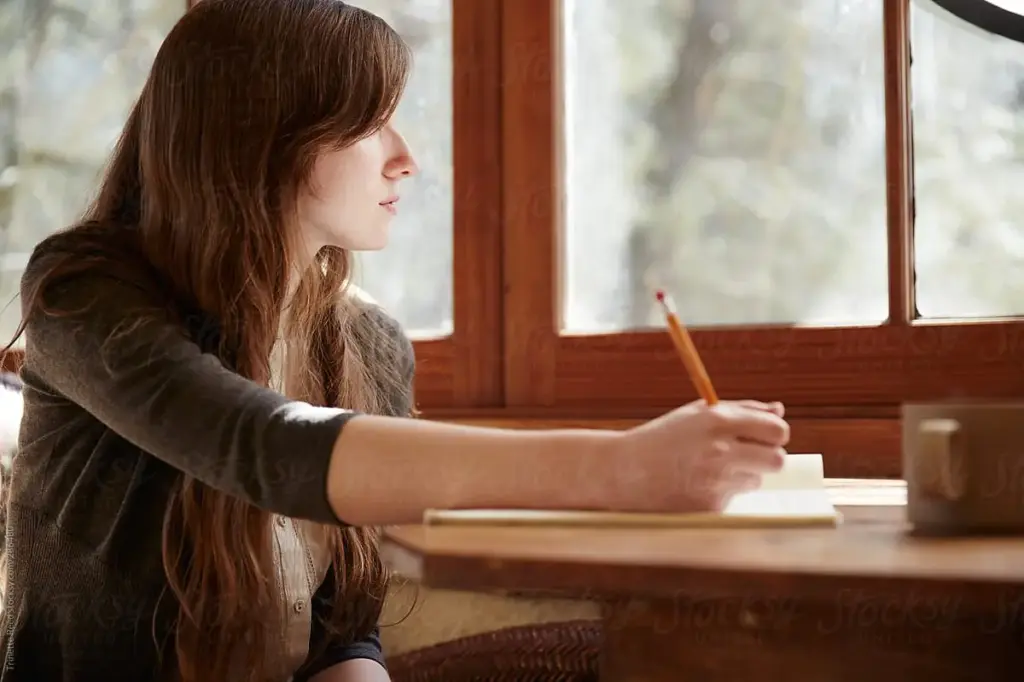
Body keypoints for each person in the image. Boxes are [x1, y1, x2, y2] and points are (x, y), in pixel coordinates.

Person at [0, 1, 790, 681]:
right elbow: (266, 448)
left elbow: (343, 623)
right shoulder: (82, 293)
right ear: (261, 135)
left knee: (604, 655)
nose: (406, 159)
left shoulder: (367, 339)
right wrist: (627, 469)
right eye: (373, 124)